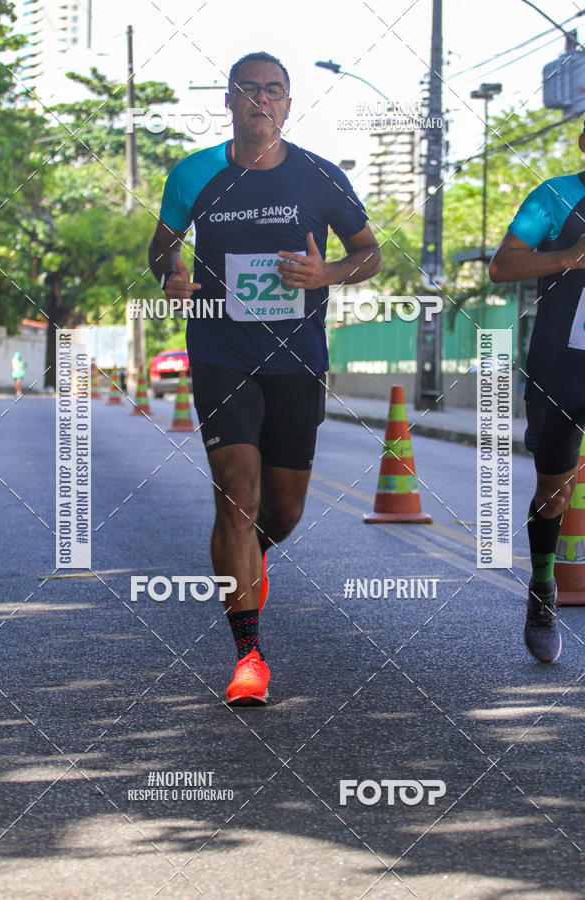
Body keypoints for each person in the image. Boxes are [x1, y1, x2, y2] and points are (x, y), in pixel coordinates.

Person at [148, 51, 381, 704]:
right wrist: (171, 274)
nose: (261, 100)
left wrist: (327, 274)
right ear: (228, 99)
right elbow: (162, 243)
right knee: (236, 496)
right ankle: (248, 654)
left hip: (297, 358)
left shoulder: (320, 176)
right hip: (221, 349)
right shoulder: (195, 173)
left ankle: (252, 558)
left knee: (281, 511)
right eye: (248, 89)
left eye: (273, 90)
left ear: (288, 102)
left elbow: (370, 252)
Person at [490, 125, 585, 663]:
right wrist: (569, 256)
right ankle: (543, 589)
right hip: (560, 368)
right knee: (554, 490)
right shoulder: (556, 197)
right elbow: (502, 265)